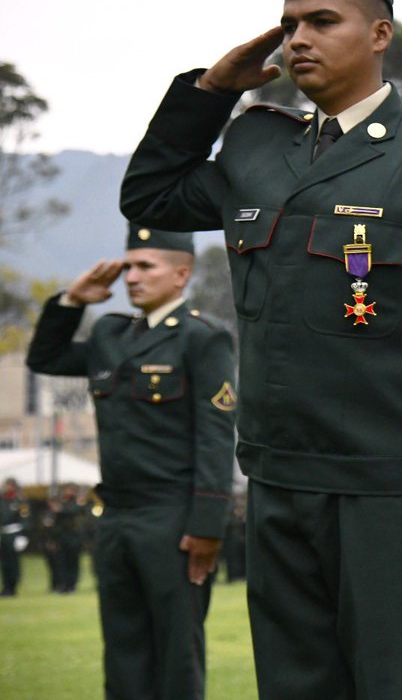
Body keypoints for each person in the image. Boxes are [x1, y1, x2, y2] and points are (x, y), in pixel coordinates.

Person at [120, 0, 402, 700]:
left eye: (321, 22)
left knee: (399, 685)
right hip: (277, 478)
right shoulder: (254, 146)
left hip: (394, 486)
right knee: (296, 686)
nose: (299, 39)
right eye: (290, 24)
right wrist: (211, 92)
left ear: (380, 35)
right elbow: (149, 198)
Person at [26, 225, 236, 698]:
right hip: (117, 515)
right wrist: (72, 301)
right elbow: (46, 357)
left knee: (177, 652)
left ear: (182, 275)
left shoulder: (202, 338)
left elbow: (216, 435)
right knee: (122, 649)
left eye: (146, 267)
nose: (132, 278)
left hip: (173, 518)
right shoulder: (110, 333)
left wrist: (207, 525)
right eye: (128, 267)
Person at [1, 477, 30, 597]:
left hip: (14, 533)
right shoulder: (2, 500)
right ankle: (6, 586)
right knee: (4, 563)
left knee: (13, 563)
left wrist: (22, 535)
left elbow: (25, 519)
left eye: (11, 485)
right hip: (3, 534)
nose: (8, 488)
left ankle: (13, 587)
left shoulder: (20, 501)